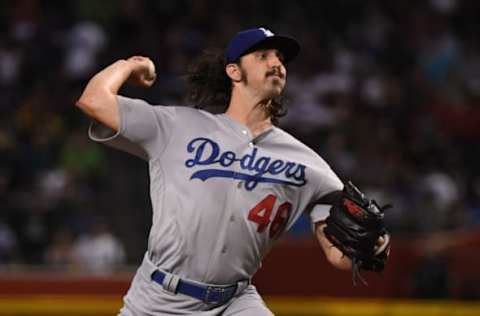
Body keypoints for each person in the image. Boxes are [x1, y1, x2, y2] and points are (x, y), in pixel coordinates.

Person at [76, 27, 354, 316]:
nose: (276, 64)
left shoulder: (308, 164)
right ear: (234, 72)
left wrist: (377, 244)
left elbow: (341, 256)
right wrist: (130, 64)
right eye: (263, 56)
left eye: (280, 58)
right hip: (157, 299)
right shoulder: (176, 125)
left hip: (235, 302)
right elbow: (94, 100)